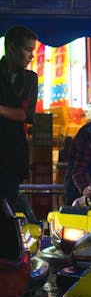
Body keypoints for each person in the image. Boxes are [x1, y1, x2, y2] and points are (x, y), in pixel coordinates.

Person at [0, 25, 38, 212]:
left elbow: (24, 114)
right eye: (28, 50)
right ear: (12, 49)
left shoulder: (30, 79)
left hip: (13, 155)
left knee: (7, 208)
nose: (32, 56)